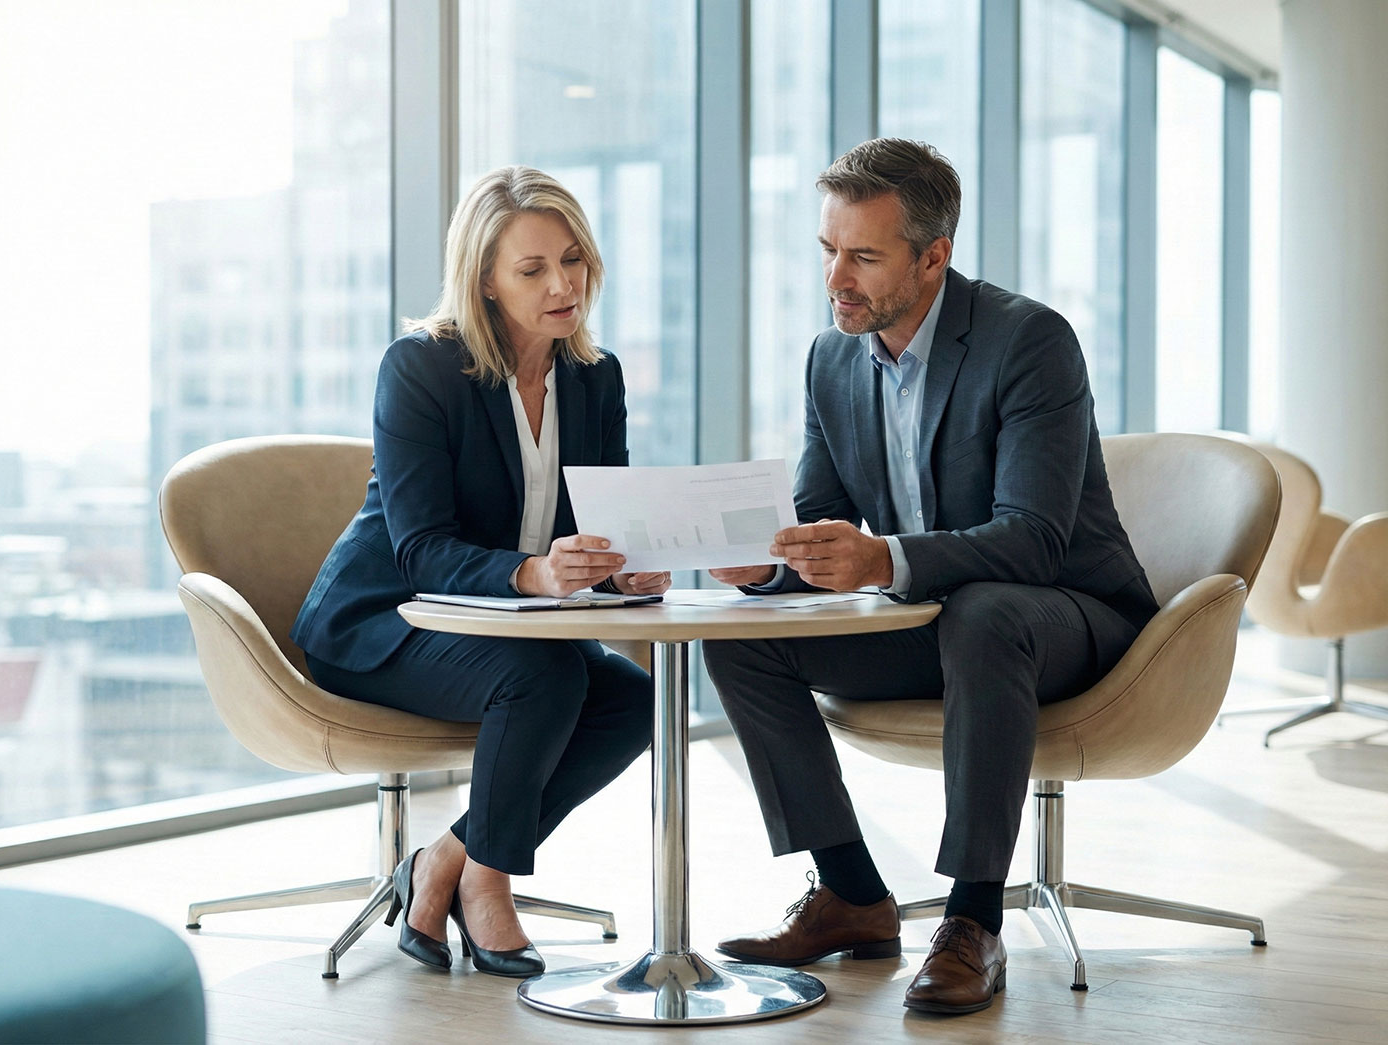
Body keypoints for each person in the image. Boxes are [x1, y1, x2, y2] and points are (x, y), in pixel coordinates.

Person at [702, 138, 1158, 1015]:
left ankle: (973, 920)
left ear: (933, 256)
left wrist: (885, 559)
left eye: (864, 257)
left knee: (985, 613)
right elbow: (822, 517)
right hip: (942, 621)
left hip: (1073, 617)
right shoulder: (831, 359)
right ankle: (851, 891)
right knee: (742, 632)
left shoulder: (1028, 341)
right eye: (829, 250)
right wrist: (771, 562)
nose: (838, 276)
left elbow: (1033, 540)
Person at [290, 166, 669, 979]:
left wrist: (621, 571)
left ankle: (446, 858)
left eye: (572, 259)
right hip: (385, 621)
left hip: (500, 630)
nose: (563, 284)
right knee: (544, 680)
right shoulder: (422, 368)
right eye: (532, 270)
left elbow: (595, 521)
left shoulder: (594, 377)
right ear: (486, 283)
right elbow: (420, 549)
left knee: (636, 699)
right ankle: (488, 882)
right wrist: (535, 572)